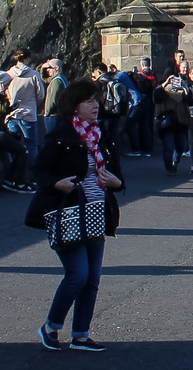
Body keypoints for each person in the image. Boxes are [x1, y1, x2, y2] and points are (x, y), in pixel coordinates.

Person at [26, 78, 125, 352]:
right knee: (77, 274)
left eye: (97, 101)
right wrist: (56, 183)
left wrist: (118, 183)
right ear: (75, 106)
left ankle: (81, 334)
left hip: (97, 210)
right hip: (69, 211)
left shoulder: (102, 134)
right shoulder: (62, 135)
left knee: (92, 278)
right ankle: (51, 326)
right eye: (90, 101)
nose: (96, 106)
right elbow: (38, 171)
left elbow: (117, 175)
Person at [0, 71, 34, 192]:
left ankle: (10, 180)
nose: (7, 87)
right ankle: (19, 183)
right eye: (5, 85)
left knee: (18, 147)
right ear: (0, 84)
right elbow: (2, 108)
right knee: (22, 151)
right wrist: (5, 97)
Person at [153, 71, 192, 175]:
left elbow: (190, 99)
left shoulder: (183, 91)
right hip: (168, 124)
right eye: (172, 80)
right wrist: (165, 83)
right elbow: (156, 95)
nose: (174, 82)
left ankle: (175, 161)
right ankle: (169, 167)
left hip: (181, 123)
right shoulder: (163, 92)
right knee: (168, 146)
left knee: (181, 146)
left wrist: (183, 85)